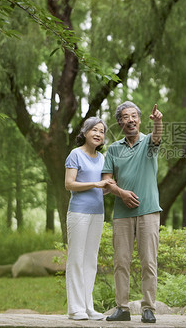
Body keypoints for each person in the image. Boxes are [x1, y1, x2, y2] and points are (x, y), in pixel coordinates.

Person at [102, 101, 163, 324]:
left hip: (148, 212)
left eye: (134, 116)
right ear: (120, 122)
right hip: (122, 215)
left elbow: (157, 136)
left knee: (148, 261)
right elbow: (106, 182)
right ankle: (122, 308)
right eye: (125, 117)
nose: (130, 120)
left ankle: (148, 308)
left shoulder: (148, 142)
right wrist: (122, 193)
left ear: (139, 119)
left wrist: (158, 122)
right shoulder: (114, 149)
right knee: (121, 262)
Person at [64, 117, 115, 321]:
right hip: (78, 213)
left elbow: (103, 186)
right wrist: (95, 184)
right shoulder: (75, 154)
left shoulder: (102, 158)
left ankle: (87, 306)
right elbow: (69, 184)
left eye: (102, 131)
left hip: (97, 213)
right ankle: (75, 308)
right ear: (84, 132)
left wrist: (108, 187)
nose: (98, 134)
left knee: (90, 260)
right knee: (76, 258)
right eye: (94, 130)